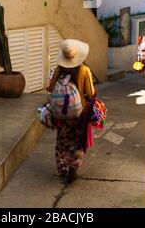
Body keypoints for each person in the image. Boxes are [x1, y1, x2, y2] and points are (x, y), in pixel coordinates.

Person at [47, 39, 95, 183]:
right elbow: (91, 92)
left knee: (62, 140)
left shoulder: (59, 69)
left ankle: (63, 167)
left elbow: (50, 88)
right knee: (76, 140)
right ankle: (73, 167)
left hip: (61, 114)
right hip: (78, 114)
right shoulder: (84, 70)